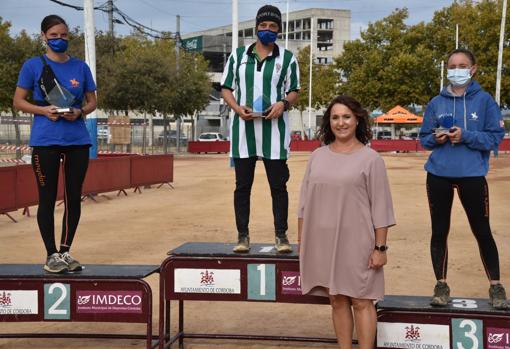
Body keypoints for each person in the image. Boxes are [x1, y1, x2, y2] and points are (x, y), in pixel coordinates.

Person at [298, 96, 395, 349]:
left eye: (346, 117)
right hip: (323, 243)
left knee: (362, 301)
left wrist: (380, 248)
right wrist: (302, 244)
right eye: (335, 117)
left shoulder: (371, 159)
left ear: (357, 120)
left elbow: (381, 206)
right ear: (328, 122)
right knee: (337, 300)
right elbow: (304, 205)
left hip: (358, 243)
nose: (341, 123)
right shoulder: (317, 156)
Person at [419, 48, 508, 309]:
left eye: (462, 65)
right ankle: (441, 284)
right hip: (438, 175)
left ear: (473, 69)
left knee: (482, 231)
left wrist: (466, 136)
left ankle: (496, 286)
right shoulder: (436, 102)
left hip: (472, 175)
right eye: (452, 65)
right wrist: (435, 138)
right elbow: (423, 139)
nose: (456, 69)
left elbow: (495, 138)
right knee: (439, 231)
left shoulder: (485, 101)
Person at [13, 15, 97, 273]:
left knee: (73, 198)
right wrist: (44, 111)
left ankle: (65, 251)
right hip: (45, 142)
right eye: (54, 36)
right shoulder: (32, 66)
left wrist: (80, 112)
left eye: (63, 35)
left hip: (78, 141)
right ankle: (50, 255)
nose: (59, 40)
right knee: (47, 198)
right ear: (43, 37)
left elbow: (92, 102)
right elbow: (18, 101)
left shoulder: (81, 67)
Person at [221, 5, 300, 253]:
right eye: (263, 26)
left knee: (279, 186)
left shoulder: (287, 58)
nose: (267, 30)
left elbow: (294, 90)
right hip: (243, 133)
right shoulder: (238, 56)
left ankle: (281, 236)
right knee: (242, 186)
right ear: (256, 27)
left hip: (274, 134)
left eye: (273, 27)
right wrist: (236, 108)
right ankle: (242, 236)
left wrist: (283, 104)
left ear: (278, 30)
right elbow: (226, 88)